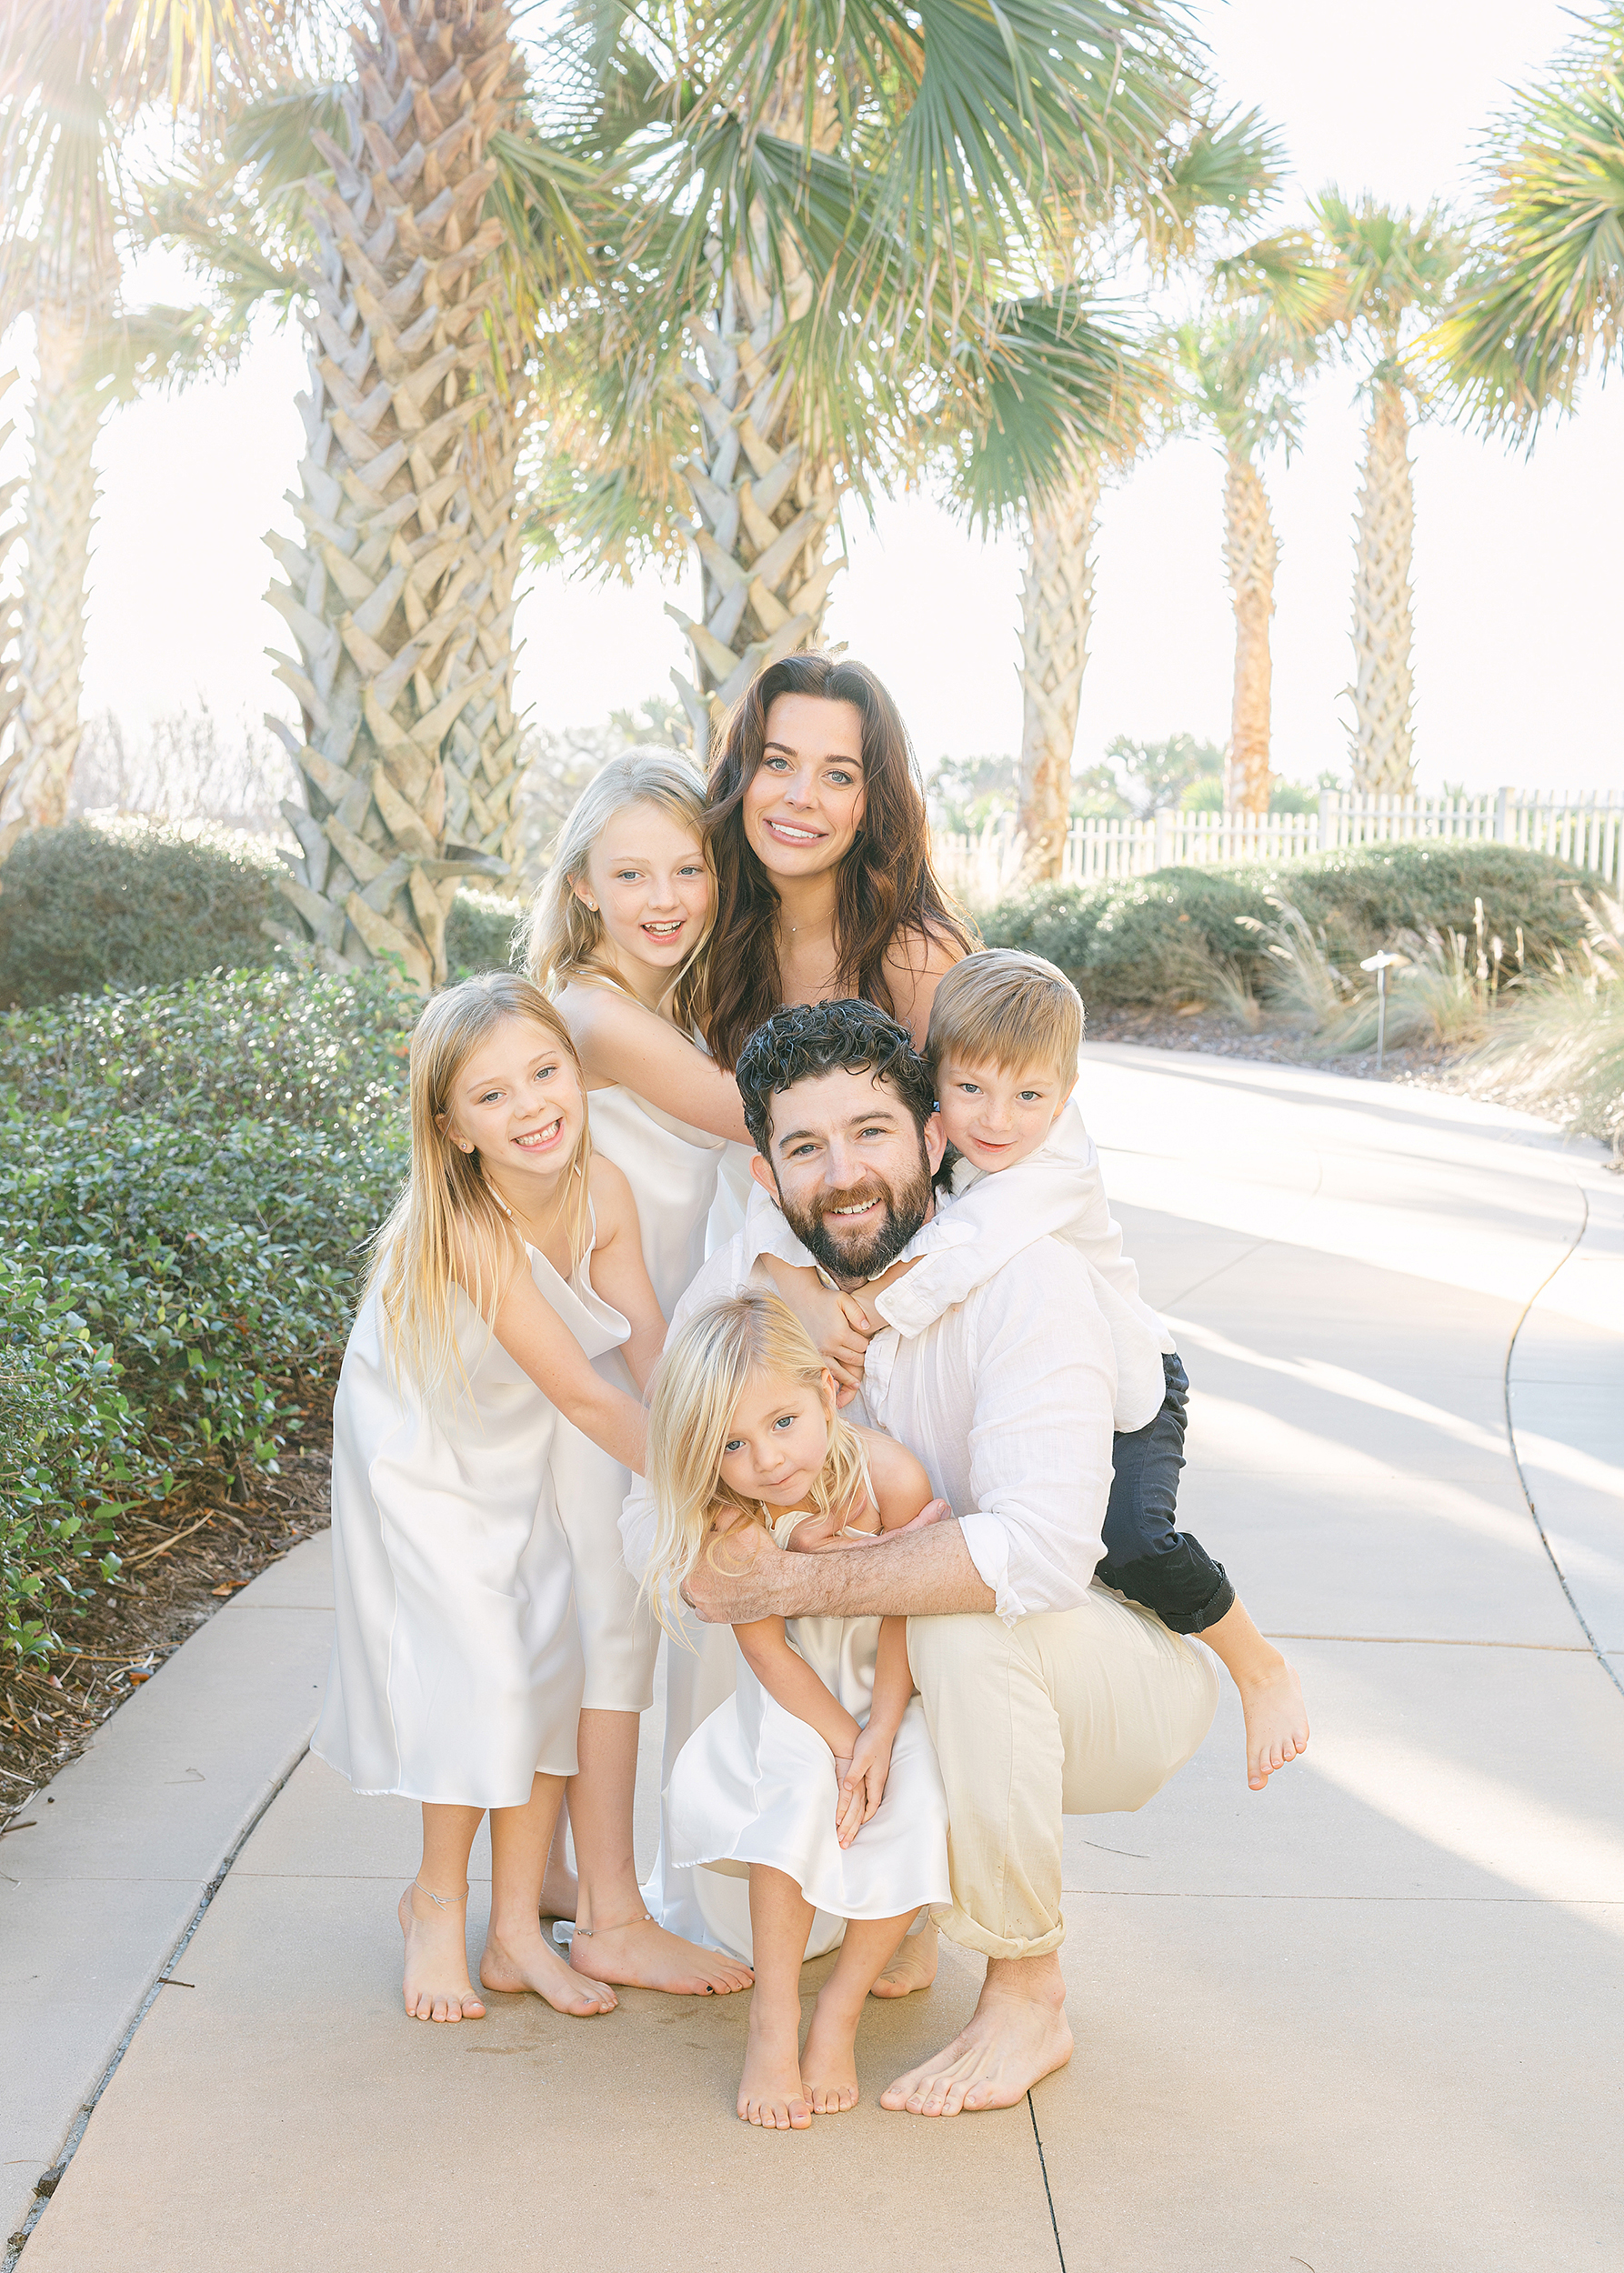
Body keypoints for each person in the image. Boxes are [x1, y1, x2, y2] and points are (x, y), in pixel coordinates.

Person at [621, 999, 1220, 2115]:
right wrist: (732, 1546)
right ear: (767, 1172)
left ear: (933, 1140)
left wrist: (793, 1576)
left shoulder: (1027, 1280)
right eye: (806, 1146)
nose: (842, 1171)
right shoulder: (749, 1302)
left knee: (954, 1594)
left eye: (871, 1131)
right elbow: (663, 1527)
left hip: (1110, 1673)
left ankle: (1026, 1988)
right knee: (861, 1675)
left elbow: (1038, 1556)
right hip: (871, 1679)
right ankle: (883, 1920)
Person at [775, 948, 1310, 1797]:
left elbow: (958, 1255)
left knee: (1134, 1540)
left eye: (1030, 1097)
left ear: (1065, 1098)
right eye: (973, 1089)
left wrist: (854, 1316)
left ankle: (1255, 1663)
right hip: (1052, 1370)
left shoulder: (1055, 1168)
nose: (1000, 1119)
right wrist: (791, 1283)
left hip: (1132, 1387)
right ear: (932, 1081)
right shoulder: (943, 1145)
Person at [312, 974, 731, 2028]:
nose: (533, 1106)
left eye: (546, 1071)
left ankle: (510, 1938)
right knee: (484, 1670)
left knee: (550, 1648)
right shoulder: (465, 1229)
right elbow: (587, 1393)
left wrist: (720, 1439)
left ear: (576, 1072)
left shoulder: (605, 1192)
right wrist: (705, 1491)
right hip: (420, 1449)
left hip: (515, 1434)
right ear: (450, 1127)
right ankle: (433, 1905)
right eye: (491, 1096)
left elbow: (641, 1349)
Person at [521, 751, 757, 1998]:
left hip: (636, 1339)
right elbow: (754, 1116)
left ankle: (564, 1880)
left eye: (687, 868)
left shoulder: (652, 1001)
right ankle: (612, 1915)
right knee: (613, 1628)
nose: (664, 896)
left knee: (597, 1624)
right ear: (583, 886)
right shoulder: (597, 1013)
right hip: (604, 1362)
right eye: (631, 873)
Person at [645, 1293, 951, 2128]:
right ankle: (774, 2015)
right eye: (733, 1445)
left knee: (920, 1793)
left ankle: (841, 2007)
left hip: (891, 1688)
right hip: (795, 1700)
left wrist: (882, 1732)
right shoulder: (736, 1519)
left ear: (828, 1391)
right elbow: (770, 1653)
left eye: (783, 1422)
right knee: (798, 1785)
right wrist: (845, 1743)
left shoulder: (891, 1477)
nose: (768, 1461)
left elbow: (905, 1618)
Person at [699, 653, 974, 1066]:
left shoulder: (915, 959)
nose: (801, 796)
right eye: (777, 762)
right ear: (741, 778)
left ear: (870, 807)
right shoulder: (707, 931)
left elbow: (974, 1119)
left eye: (839, 776)